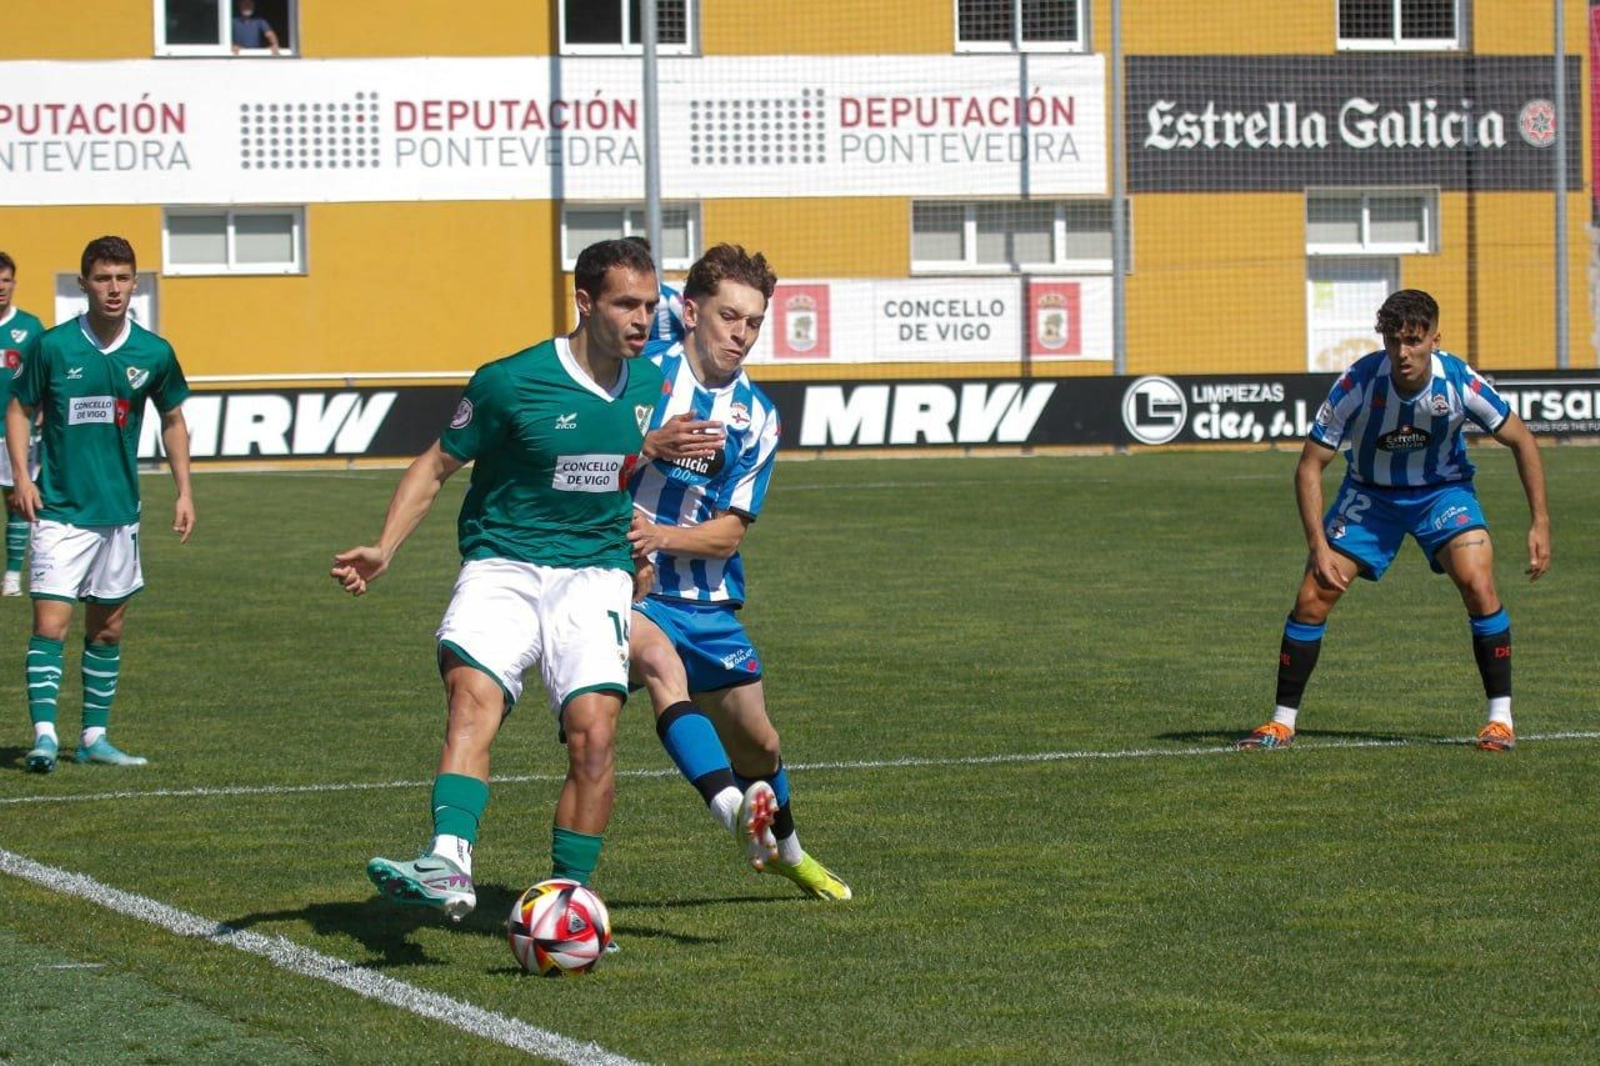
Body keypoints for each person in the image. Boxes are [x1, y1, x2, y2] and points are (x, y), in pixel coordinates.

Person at [331, 238, 719, 921]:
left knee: (594, 736)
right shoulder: (509, 381)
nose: (641, 319)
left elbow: (604, 461)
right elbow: (435, 465)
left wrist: (636, 544)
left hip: (594, 575)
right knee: (471, 699)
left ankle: (569, 903)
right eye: (625, 304)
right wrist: (385, 547)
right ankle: (448, 861)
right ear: (585, 302)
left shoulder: (649, 385)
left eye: (649, 305)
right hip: (503, 562)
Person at [629, 244, 852, 900]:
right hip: (623, 582)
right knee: (651, 675)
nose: (741, 334)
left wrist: (662, 535)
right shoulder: (640, 376)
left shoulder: (758, 417)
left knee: (760, 745)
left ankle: (789, 852)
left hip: (705, 598)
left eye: (754, 322)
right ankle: (729, 811)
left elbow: (729, 533)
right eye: (729, 316)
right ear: (692, 312)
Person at [1236, 289, 1550, 754]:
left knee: (1478, 581)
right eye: (1393, 341)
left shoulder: (1458, 381)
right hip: (1371, 496)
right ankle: (1281, 723)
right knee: (1312, 597)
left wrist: (1539, 522)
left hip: (1442, 493)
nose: (1403, 353)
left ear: (1434, 340)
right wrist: (1319, 546)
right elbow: (1309, 465)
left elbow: (1522, 439)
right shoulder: (1359, 382)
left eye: (1413, 341)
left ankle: (1500, 720)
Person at [9, 237, 195, 773]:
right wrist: (21, 476)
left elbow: (173, 419)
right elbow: (19, 409)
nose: (113, 288)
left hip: (119, 513)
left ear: (134, 283)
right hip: (60, 510)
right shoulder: (54, 346)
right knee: (51, 625)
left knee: (108, 631)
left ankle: (93, 738)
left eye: (122, 278)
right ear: (83, 284)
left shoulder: (154, 352)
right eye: (103, 278)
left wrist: (184, 490)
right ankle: (45, 737)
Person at [0, 252, 46, 597]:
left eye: (6, 280)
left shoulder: (30, 328)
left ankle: (13, 577)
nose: (1, 287)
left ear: (14, 284)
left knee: (18, 500)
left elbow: (45, 377)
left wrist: (42, 413)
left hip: (14, 433)